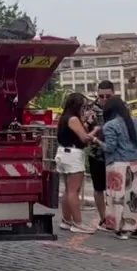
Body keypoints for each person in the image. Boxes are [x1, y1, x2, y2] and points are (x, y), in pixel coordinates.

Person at [101, 97, 137, 240]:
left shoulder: (110, 125)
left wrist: (96, 141)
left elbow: (110, 147)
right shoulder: (136, 121)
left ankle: (120, 229)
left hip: (118, 164)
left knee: (118, 198)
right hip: (135, 163)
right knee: (135, 198)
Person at [54, 93, 99, 234]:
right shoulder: (73, 119)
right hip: (73, 154)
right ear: (77, 106)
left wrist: (85, 122)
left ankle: (66, 220)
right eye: (83, 106)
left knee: (67, 190)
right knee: (74, 191)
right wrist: (96, 130)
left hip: (63, 153)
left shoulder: (65, 117)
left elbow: (74, 131)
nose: (84, 109)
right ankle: (77, 223)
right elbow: (85, 138)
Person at [85, 81, 115, 229]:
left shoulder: (119, 108)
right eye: (101, 96)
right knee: (99, 188)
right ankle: (104, 218)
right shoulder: (91, 109)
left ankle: (113, 215)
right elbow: (84, 132)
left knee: (115, 188)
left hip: (115, 154)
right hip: (96, 154)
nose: (104, 99)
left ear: (113, 94)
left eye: (107, 96)